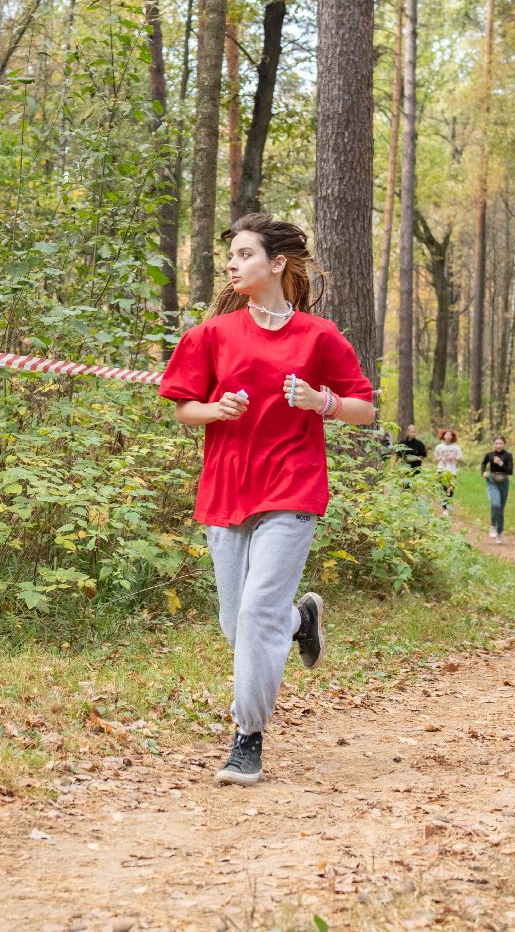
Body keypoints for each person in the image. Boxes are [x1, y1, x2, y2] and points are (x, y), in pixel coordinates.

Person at [159, 213, 377, 787]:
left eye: (245, 254)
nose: (232, 265)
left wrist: (319, 401)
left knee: (255, 617)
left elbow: (364, 409)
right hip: (227, 488)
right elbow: (183, 408)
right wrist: (215, 410)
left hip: (293, 486)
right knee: (240, 626)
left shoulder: (319, 336)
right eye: (230, 256)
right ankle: (299, 618)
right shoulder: (211, 336)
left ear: (276, 263)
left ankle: (246, 738)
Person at [479, 436, 513, 542]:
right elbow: (483, 463)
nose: (498, 445)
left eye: (501, 443)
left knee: (501, 509)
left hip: (504, 482)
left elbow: (510, 471)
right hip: (492, 481)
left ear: (504, 444)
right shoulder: (489, 455)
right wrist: (483, 472)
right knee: (495, 504)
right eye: (496, 443)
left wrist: (500, 463)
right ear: (493, 444)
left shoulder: (508, 455)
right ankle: (493, 525)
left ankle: (499, 533)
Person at [431, 429, 462, 514]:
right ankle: (445, 508)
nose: (448, 436)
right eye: (447, 435)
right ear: (443, 436)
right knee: (442, 490)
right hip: (441, 470)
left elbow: (460, 458)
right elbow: (435, 458)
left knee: (450, 490)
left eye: (450, 435)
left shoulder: (456, 447)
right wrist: (440, 458)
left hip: (452, 471)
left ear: (452, 437)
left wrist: (454, 457)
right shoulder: (439, 447)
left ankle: (448, 506)